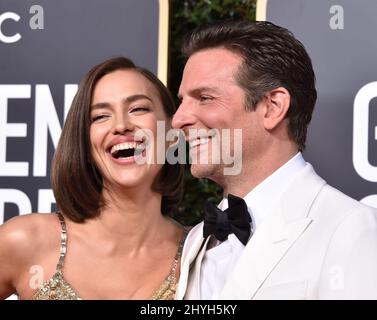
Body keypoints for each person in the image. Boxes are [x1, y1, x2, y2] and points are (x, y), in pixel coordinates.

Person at [172, 20, 377, 299]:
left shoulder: (353, 229)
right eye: (182, 100)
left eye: (205, 98)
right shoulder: (197, 240)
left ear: (273, 107)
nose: (178, 119)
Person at [0, 57, 187, 300]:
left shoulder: (200, 257)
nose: (121, 125)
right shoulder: (24, 241)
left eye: (138, 109)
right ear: (86, 146)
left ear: (173, 135)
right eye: (100, 116)